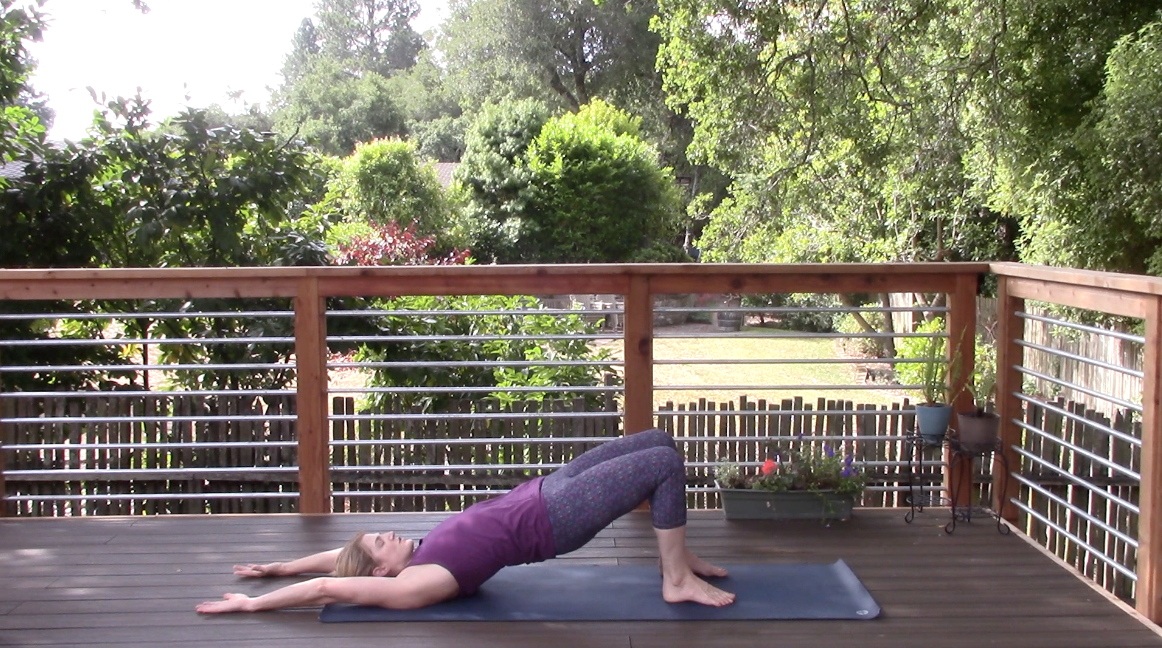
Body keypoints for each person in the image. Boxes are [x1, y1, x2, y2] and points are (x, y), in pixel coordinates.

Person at [196, 429, 736, 613]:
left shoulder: (410, 557)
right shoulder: (413, 583)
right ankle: (675, 580)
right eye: (380, 543)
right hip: (555, 519)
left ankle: (677, 554)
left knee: (658, 442)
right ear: (380, 573)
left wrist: (276, 566)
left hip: (547, 488)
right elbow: (328, 586)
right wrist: (253, 603)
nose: (386, 533)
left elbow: (330, 563)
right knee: (664, 466)